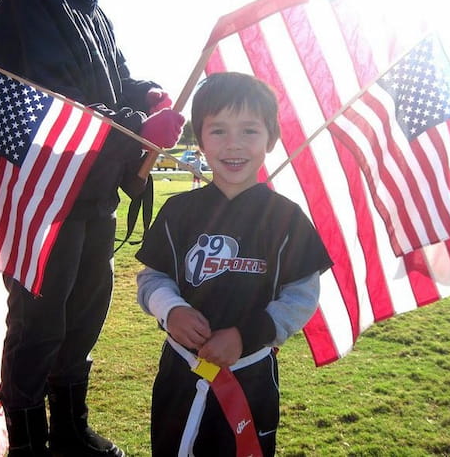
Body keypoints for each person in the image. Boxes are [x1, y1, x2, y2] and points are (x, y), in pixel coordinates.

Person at [0, 0, 184, 456]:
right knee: (39, 326)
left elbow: (113, 81)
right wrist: (136, 125)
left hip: (95, 192)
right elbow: (55, 100)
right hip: (44, 196)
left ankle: (69, 433)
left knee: (83, 320)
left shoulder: (91, 7)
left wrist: (146, 93)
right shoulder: (29, 1)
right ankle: (27, 445)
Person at [135, 72, 333, 456]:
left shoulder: (286, 218)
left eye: (249, 131)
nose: (234, 145)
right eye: (219, 131)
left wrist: (246, 335)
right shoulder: (179, 212)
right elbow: (152, 277)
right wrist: (170, 309)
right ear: (200, 139)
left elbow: (302, 295)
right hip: (181, 371)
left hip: (251, 375)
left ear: (271, 139)